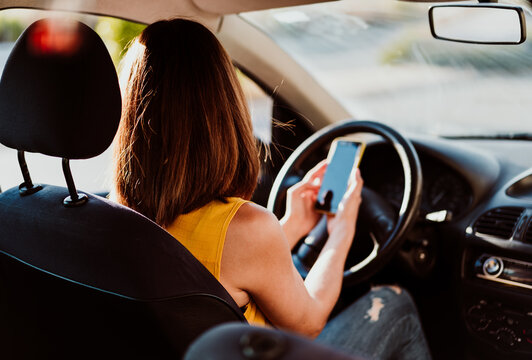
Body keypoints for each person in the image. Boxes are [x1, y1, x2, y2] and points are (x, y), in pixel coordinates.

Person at [112, 18, 431, 360]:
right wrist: (341, 234)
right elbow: (307, 324)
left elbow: (224, 265)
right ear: (224, 112)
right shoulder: (248, 228)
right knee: (395, 303)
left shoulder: (111, 217)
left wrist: (292, 223)